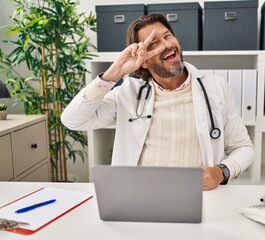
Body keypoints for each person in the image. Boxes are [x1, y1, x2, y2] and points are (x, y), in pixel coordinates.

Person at [61, 14, 254, 191]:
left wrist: (221, 172)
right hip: (140, 196)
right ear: (142, 60)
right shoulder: (129, 93)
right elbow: (73, 120)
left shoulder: (216, 87)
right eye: (153, 43)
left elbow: (243, 147)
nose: (166, 45)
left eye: (168, 36)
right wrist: (115, 72)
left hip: (198, 195)